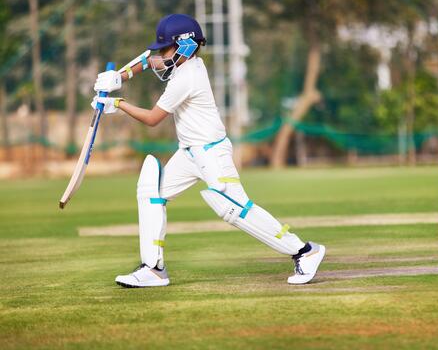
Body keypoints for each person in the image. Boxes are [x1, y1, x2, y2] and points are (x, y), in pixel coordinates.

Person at [91, 14, 325, 288]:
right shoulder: (182, 64)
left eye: (165, 49)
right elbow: (146, 59)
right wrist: (117, 76)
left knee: (234, 209)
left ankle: (305, 251)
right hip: (189, 153)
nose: (160, 56)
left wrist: (117, 104)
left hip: (212, 154)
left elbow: (154, 119)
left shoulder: (187, 77)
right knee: (152, 192)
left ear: (185, 47)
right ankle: (153, 269)